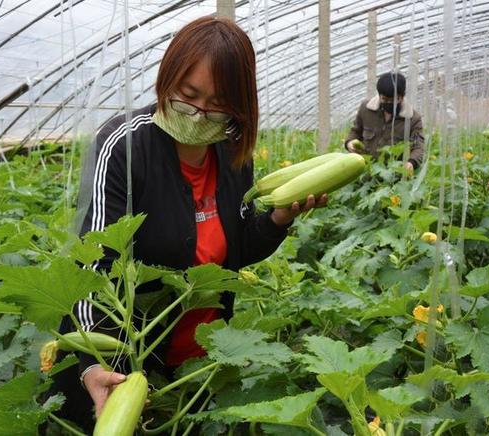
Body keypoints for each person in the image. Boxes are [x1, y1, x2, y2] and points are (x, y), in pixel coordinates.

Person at [50, 16, 327, 432]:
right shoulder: (124, 146)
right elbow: (92, 268)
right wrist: (94, 365)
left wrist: (277, 220)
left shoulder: (233, 151)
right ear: (168, 79)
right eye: (187, 94)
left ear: (239, 105)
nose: (198, 114)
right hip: (119, 370)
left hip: (196, 371)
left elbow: (232, 251)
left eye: (216, 103)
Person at [344, 72, 424, 174]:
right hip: (365, 171)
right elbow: (356, 130)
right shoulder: (366, 109)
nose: (388, 103)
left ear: (402, 96)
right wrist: (349, 142)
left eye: (393, 100)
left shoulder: (413, 119)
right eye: (384, 99)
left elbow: (419, 146)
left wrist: (411, 162)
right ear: (379, 95)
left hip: (393, 175)